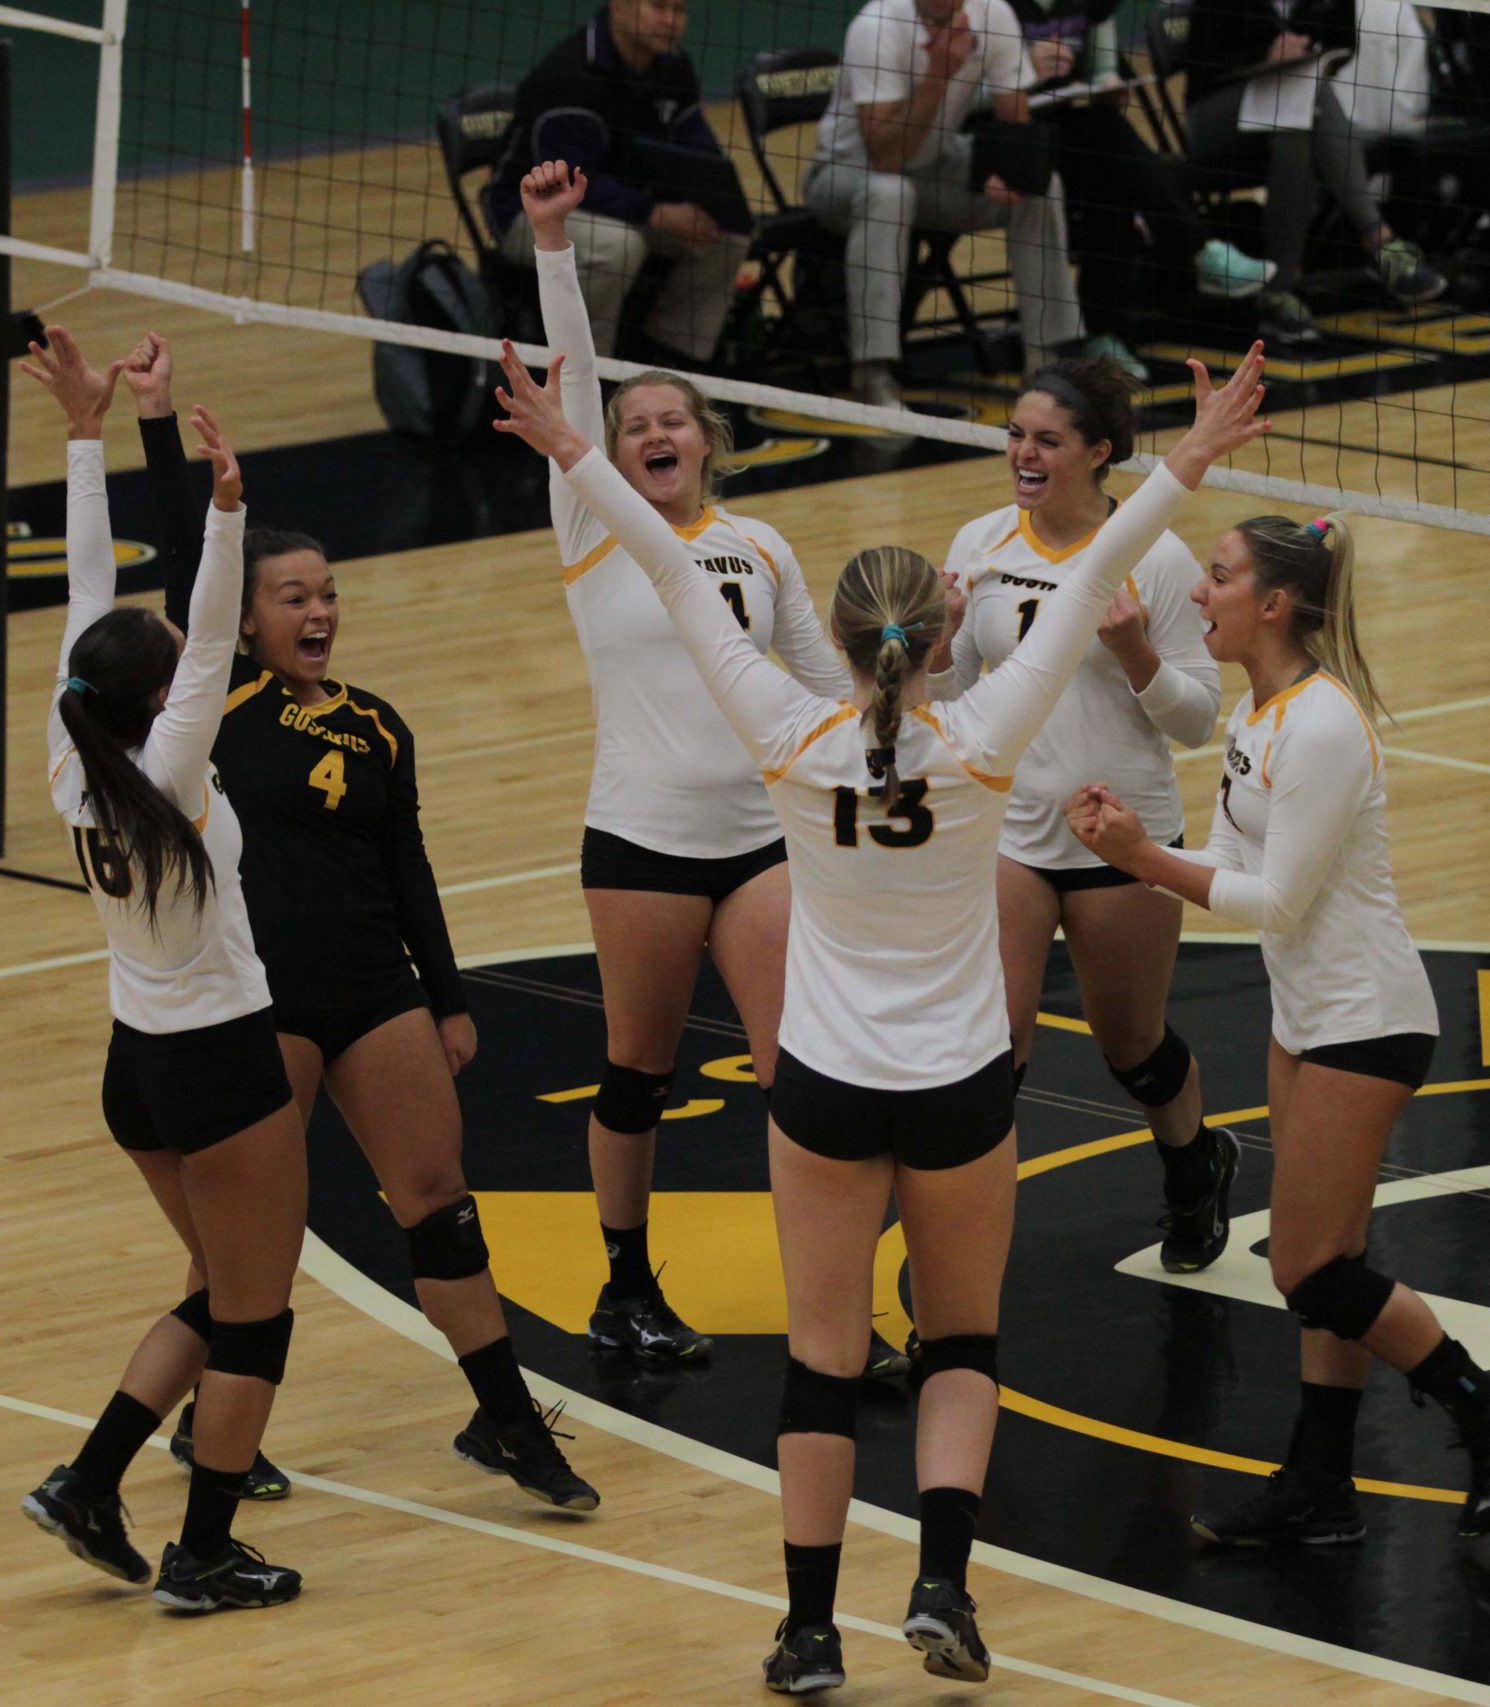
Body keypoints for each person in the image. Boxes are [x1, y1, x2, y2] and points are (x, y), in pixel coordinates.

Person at [494, 328, 1270, 1691]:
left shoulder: (787, 738)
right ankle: (942, 1588)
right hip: (962, 1082)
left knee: (820, 1352)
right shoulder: (983, 743)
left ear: (842, 642)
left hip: (828, 1084)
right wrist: (1188, 457)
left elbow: (673, 572)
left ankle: (804, 1627)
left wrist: (573, 449)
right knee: (962, 1342)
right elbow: (1094, 567)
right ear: (940, 636)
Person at [117, 334, 597, 1513]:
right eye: (294, 597)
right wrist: (157, 425)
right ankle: (212, 1429)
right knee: (238, 1251)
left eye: (328, 593)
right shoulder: (215, 698)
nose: (319, 610)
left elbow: (406, 860)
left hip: (374, 989)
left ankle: (502, 1422)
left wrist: (446, 993)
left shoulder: (378, 725)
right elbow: (194, 568)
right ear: (250, 616)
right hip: (258, 1003)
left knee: (438, 1200)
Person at [1064, 514, 1490, 1550]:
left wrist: (1137, 859)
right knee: (1330, 1258)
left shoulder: (1323, 725)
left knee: (1310, 1269)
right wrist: (1141, 840)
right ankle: (1322, 1487)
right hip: (1309, 1018)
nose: (1199, 593)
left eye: (1217, 577)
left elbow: (1277, 901)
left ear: (1274, 604)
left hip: (1365, 1022)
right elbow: (1224, 865)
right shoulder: (1260, 712)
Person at [521, 160, 868, 1367]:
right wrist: (552, 241)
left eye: (670, 421)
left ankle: (834, 1313)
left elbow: (826, 694)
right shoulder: (594, 525)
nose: (652, 434)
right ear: (609, 454)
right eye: (632, 426)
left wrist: (922, 723)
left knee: (798, 1079)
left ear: (706, 441)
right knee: (638, 1069)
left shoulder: (760, 545)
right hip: (640, 843)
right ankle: (623, 1284)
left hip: (759, 846)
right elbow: (568, 375)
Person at [15, 328, 306, 1612]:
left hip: (136, 1064)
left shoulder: (73, 749)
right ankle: (201, 1552)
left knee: (215, 1290)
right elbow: (201, 630)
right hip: (222, 1065)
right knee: (255, 1314)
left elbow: (98, 613)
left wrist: (87, 435)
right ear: (156, 702)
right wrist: (227, 512)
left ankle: (88, 1483)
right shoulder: (173, 767)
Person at [928, 356, 1238, 1270]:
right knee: (995, 1048)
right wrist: (943, 643)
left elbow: (1196, 721)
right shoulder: (981, 541)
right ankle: (965, 1246)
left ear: (1099, 453)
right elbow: (952, 702)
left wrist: (1139, 651)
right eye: (1016, 435)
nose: (1024, 453)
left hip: (1122, 834)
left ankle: (1194, 1165)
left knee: (1131, 1043)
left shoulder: (1158, 556)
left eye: (1047, 440)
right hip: (1011, 837)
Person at [805, 0, 1085, 410]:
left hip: (935, 165)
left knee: (1040, 185)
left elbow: (1015, 117)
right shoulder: (876, 26)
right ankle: (873, 374)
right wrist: (938, 74)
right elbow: (885, 156)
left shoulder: (995, 14)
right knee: (890, 192)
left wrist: (1008, 168)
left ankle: (1048, 360)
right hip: (845, 172)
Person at [1007, 0, 1273, 376]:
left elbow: (1101, 73)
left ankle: (1106, 336)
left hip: (1066, 133)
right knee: (1108, 146)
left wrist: (1109, 85)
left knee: (1108, 148)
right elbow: (971, 93)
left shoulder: (1091, 6)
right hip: (1002, 135)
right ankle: (1198, 251)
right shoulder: (994, 7)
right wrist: (1024, 70)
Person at [488, 0, 747, 367]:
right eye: (658, 7)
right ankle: (590, 377)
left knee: (724, 237)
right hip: (532, 211)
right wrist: (654, 212)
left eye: (680, 11)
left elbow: (698, 147)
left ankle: (670, 367)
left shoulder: (674, 66)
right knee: (618, 246)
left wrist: (713, 200)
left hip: (627, 204)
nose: (671, 21)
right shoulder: (569, 74)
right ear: (620, 7)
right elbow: (569, 185)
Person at [1176, 0, 1448, 348]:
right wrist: (1264, 58)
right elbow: (1205, 65)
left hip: (1292, 108)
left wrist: (1306, 55)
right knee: (1302, 100)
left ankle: (1279, 290)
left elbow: (1342, 42)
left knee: (1300, 114)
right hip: (1216, 112)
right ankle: (1380, 242)